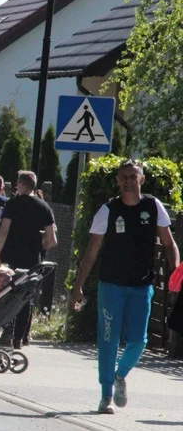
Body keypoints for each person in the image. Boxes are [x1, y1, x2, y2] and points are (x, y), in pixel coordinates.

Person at [71, 159, 179, 414]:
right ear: (118, 181)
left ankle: (120, 376)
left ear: (141, 179)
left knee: (138, 341)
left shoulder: (153, 207)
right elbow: (91, 251)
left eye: (134, 176)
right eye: (124, 177)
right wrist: (78, 286)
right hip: (111, 286)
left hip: (141, 286)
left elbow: (169, 243)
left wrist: (176, 273)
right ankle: (106, 394)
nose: (129, 180)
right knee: (108, 340)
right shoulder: (108, 210)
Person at [0, 170, 57, 348]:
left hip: (10, 256)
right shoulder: (44, 207)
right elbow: (52, 240)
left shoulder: (12, 205)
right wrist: (40, 246)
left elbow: (4, 230)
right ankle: (19, 337)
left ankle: (7, 330)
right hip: (32, 259)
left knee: (7, 292)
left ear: (21, 184)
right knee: (26, 296)